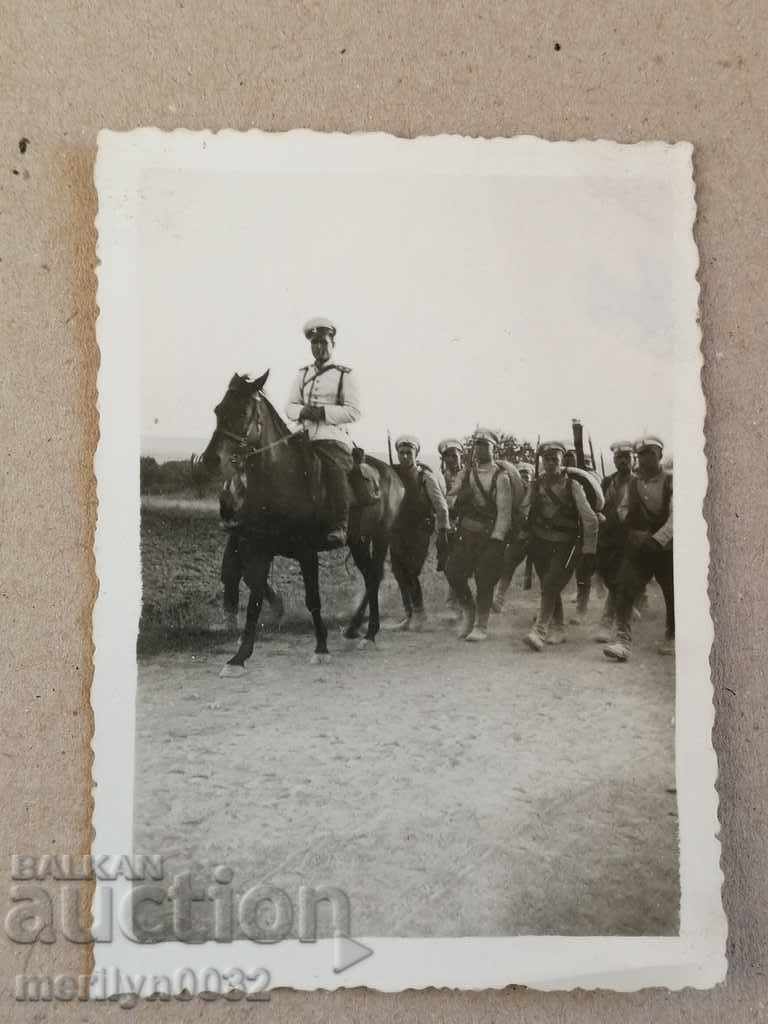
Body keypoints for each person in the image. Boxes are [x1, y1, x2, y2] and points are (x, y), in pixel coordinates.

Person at [285, 318, 361, 548]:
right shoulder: (302, 374)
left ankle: (340, 525)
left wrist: (322, 413)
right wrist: (303, 411)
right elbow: (289, 407)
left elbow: (354, 411)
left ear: (333, 343)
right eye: (315, 343)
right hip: (303, 434)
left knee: (333, 467)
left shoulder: (344, 374)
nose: (319, 347)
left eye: (324, 342)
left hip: (332, 437)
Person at [522, 441, 599, 651]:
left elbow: (590, 519)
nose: (549, 463)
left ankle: (539, 630)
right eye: (546, 459)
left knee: (550, 583)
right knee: (550, 585)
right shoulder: (536, 485)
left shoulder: (573, 486)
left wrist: (589, 550)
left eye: (554, 459)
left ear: (561, 460)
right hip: (540, 544)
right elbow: (524, 508)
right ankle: (558, 628)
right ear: (542, 461)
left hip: (566, 545)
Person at [603, 436, 674, 662]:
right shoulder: (634, 482)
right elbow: (623, 507)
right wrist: (632, 528)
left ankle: (672, 636)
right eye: (641, 454)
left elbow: (676, 517)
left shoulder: (671, 480)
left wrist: (657, 539)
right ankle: (622, 640)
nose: (645, 459)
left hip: (666, 549)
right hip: (640, 547)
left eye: (650, 453)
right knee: (624, 586)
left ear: (660, 456)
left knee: (672, 592)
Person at [445, 429, 513, 642]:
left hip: (489, 536)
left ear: (494, 448)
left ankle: (481, 625)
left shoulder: (501, 477)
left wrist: (497, 539)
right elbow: (450, 499)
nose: (481, 449)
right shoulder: (466, 473)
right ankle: (469, 611)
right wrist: (459, 499)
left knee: (484, 580)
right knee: (453, 572)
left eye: (486, 445)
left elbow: (504, 512)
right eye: (478, 445)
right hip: (466, 534)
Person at [388, 435, 449, 631]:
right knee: (399, 573)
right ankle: (409, 614)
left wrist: (443, 531)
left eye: (409, 453)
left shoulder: (425, 477)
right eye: (402, 453)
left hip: (419, 532)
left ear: (416, 454)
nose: (405, 457)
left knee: (411, 572)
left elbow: (441, 506)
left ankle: (420, 614)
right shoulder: (392, 475)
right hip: (397, 532)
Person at [593, 440, 635, 642]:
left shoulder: (638, 482)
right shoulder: (607, 482)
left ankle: (608, 622)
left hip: (628, 539)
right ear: (614, 460)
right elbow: (597, 505)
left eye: (627, 457)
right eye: (620, 457)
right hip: (607, 538)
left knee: (621, 581)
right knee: (611, 579)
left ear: (634, 459)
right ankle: (620, 611)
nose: (624, 461)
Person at [492, 460, 534, 613]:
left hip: (535, 536)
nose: (524, 477)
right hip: (517, 536)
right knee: (507, 563)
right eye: (521, 474)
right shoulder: (511, 491)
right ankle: (498, 599)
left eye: (527, 474)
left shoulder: (536, 490)